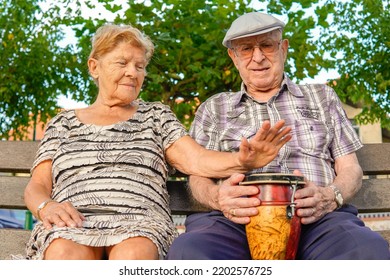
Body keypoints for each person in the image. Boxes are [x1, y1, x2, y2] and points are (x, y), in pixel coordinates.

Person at [21, 23, 292, 260]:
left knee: (134, 253)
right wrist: (47, 206)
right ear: (95, 66)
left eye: (139, 66)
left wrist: (242, 161)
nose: (132, 72)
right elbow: (38, 186)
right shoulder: (63, 123)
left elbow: (196, 159)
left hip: (139, 223)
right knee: (63, 253)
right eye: (122, 63)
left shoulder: (156, 115)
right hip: (73, 221)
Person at [166, 12, 390, 260]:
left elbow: (350, 168)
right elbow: (197, 177)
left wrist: (330, 196)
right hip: (231, 221)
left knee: (366, 250)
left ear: (283, 48)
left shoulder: (322, 97)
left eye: (267, 46)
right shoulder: (214, 108)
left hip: (317, 219)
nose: (258, 57)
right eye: (247, 48)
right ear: (234, 57)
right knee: (190, 252)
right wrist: (219, 198)